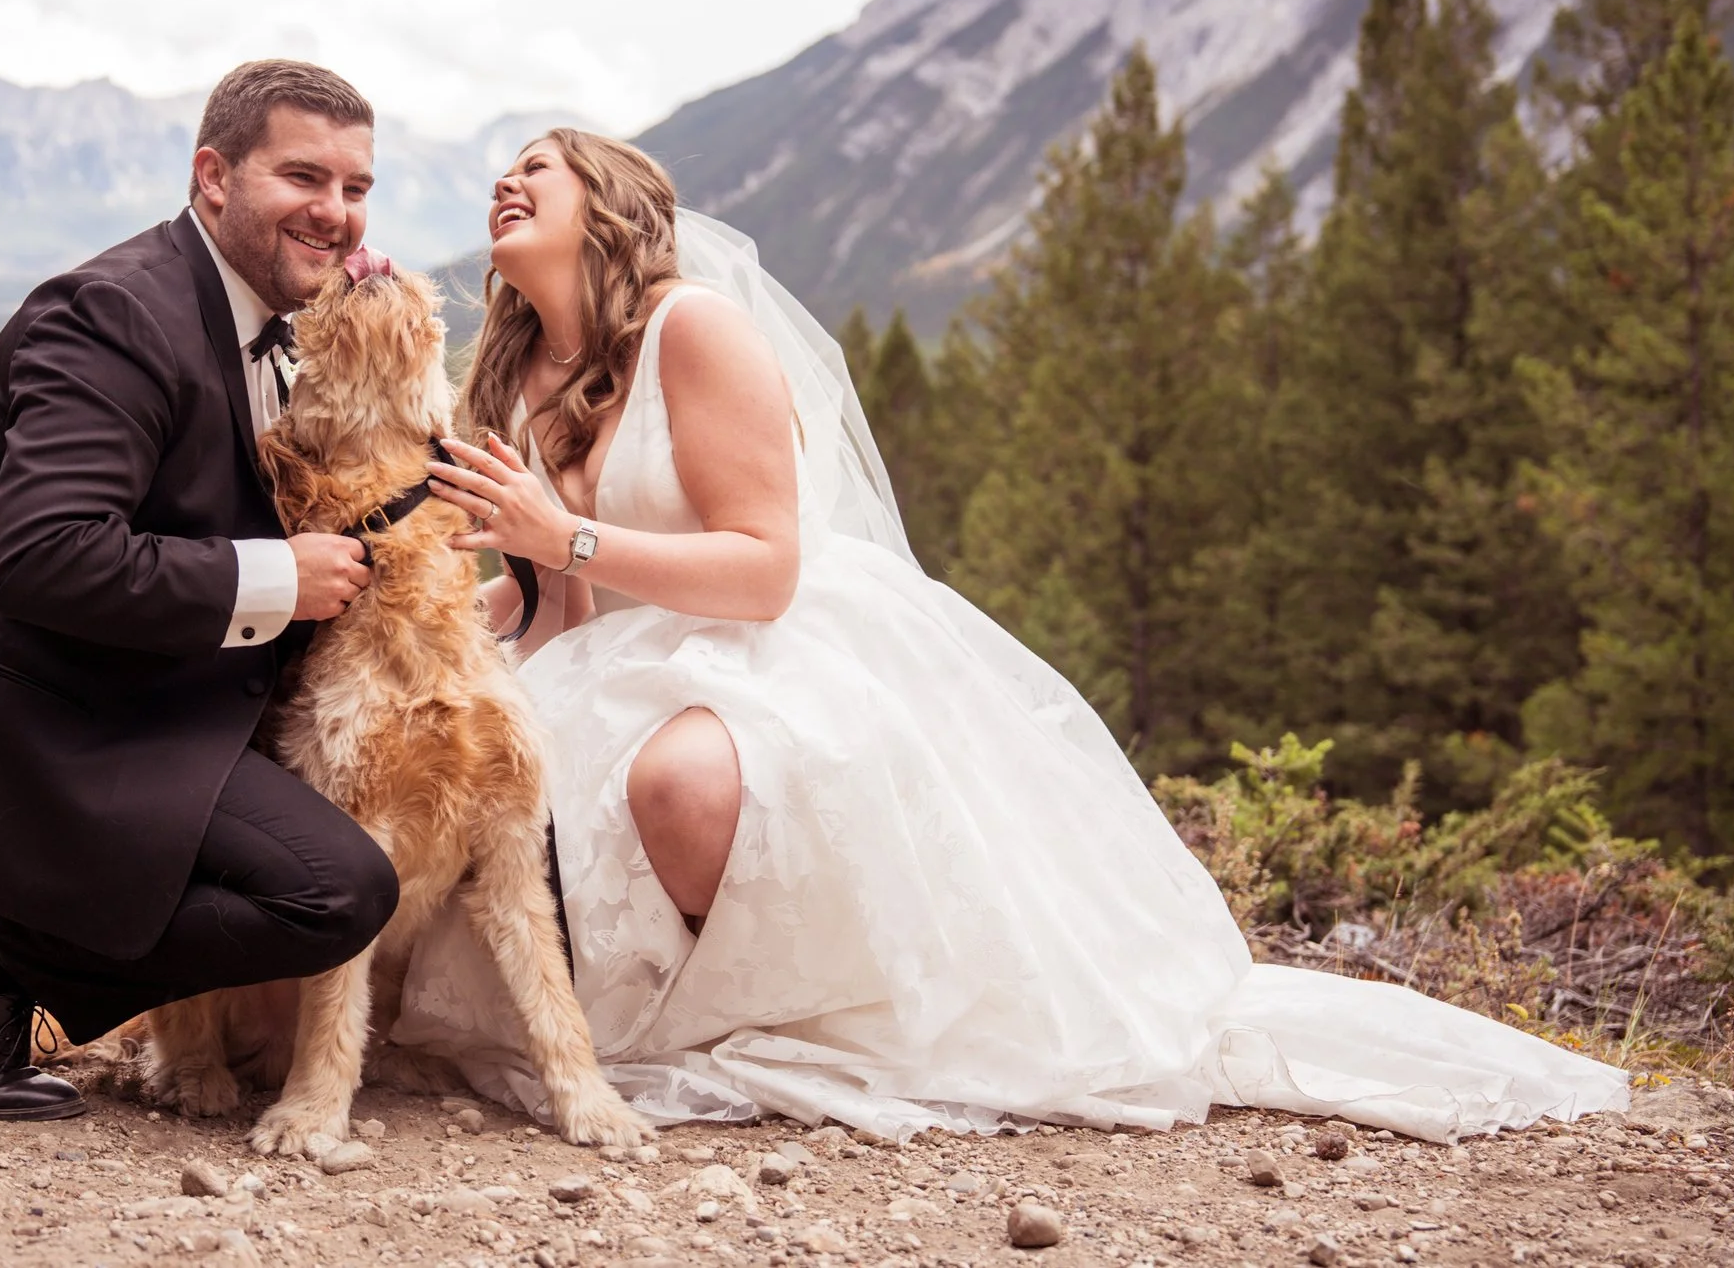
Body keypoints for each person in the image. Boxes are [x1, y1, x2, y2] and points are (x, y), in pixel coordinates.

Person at [392, 128, 1629, 1143]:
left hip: (760, 645)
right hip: (615, 649)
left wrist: (569, 543)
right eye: (501, 167)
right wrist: (458, 612)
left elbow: (765, 569)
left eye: (538, 165)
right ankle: (647, 1010)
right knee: (497, 790)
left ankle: (804, 1010)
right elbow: (555, 604)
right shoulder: (511, 375)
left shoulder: (693, 329)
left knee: (681, 780)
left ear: (607, 206)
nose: (508, 176)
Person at [0, 61, 399, 1120]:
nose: (333, 212)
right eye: (303, 177)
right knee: (336, 889)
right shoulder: (114, 314)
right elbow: (46, 551)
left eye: (355, 188)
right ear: (214, 174)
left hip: (167, 691)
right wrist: (281, 575)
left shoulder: (280, 315)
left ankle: (11, 965)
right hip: (58, 712)